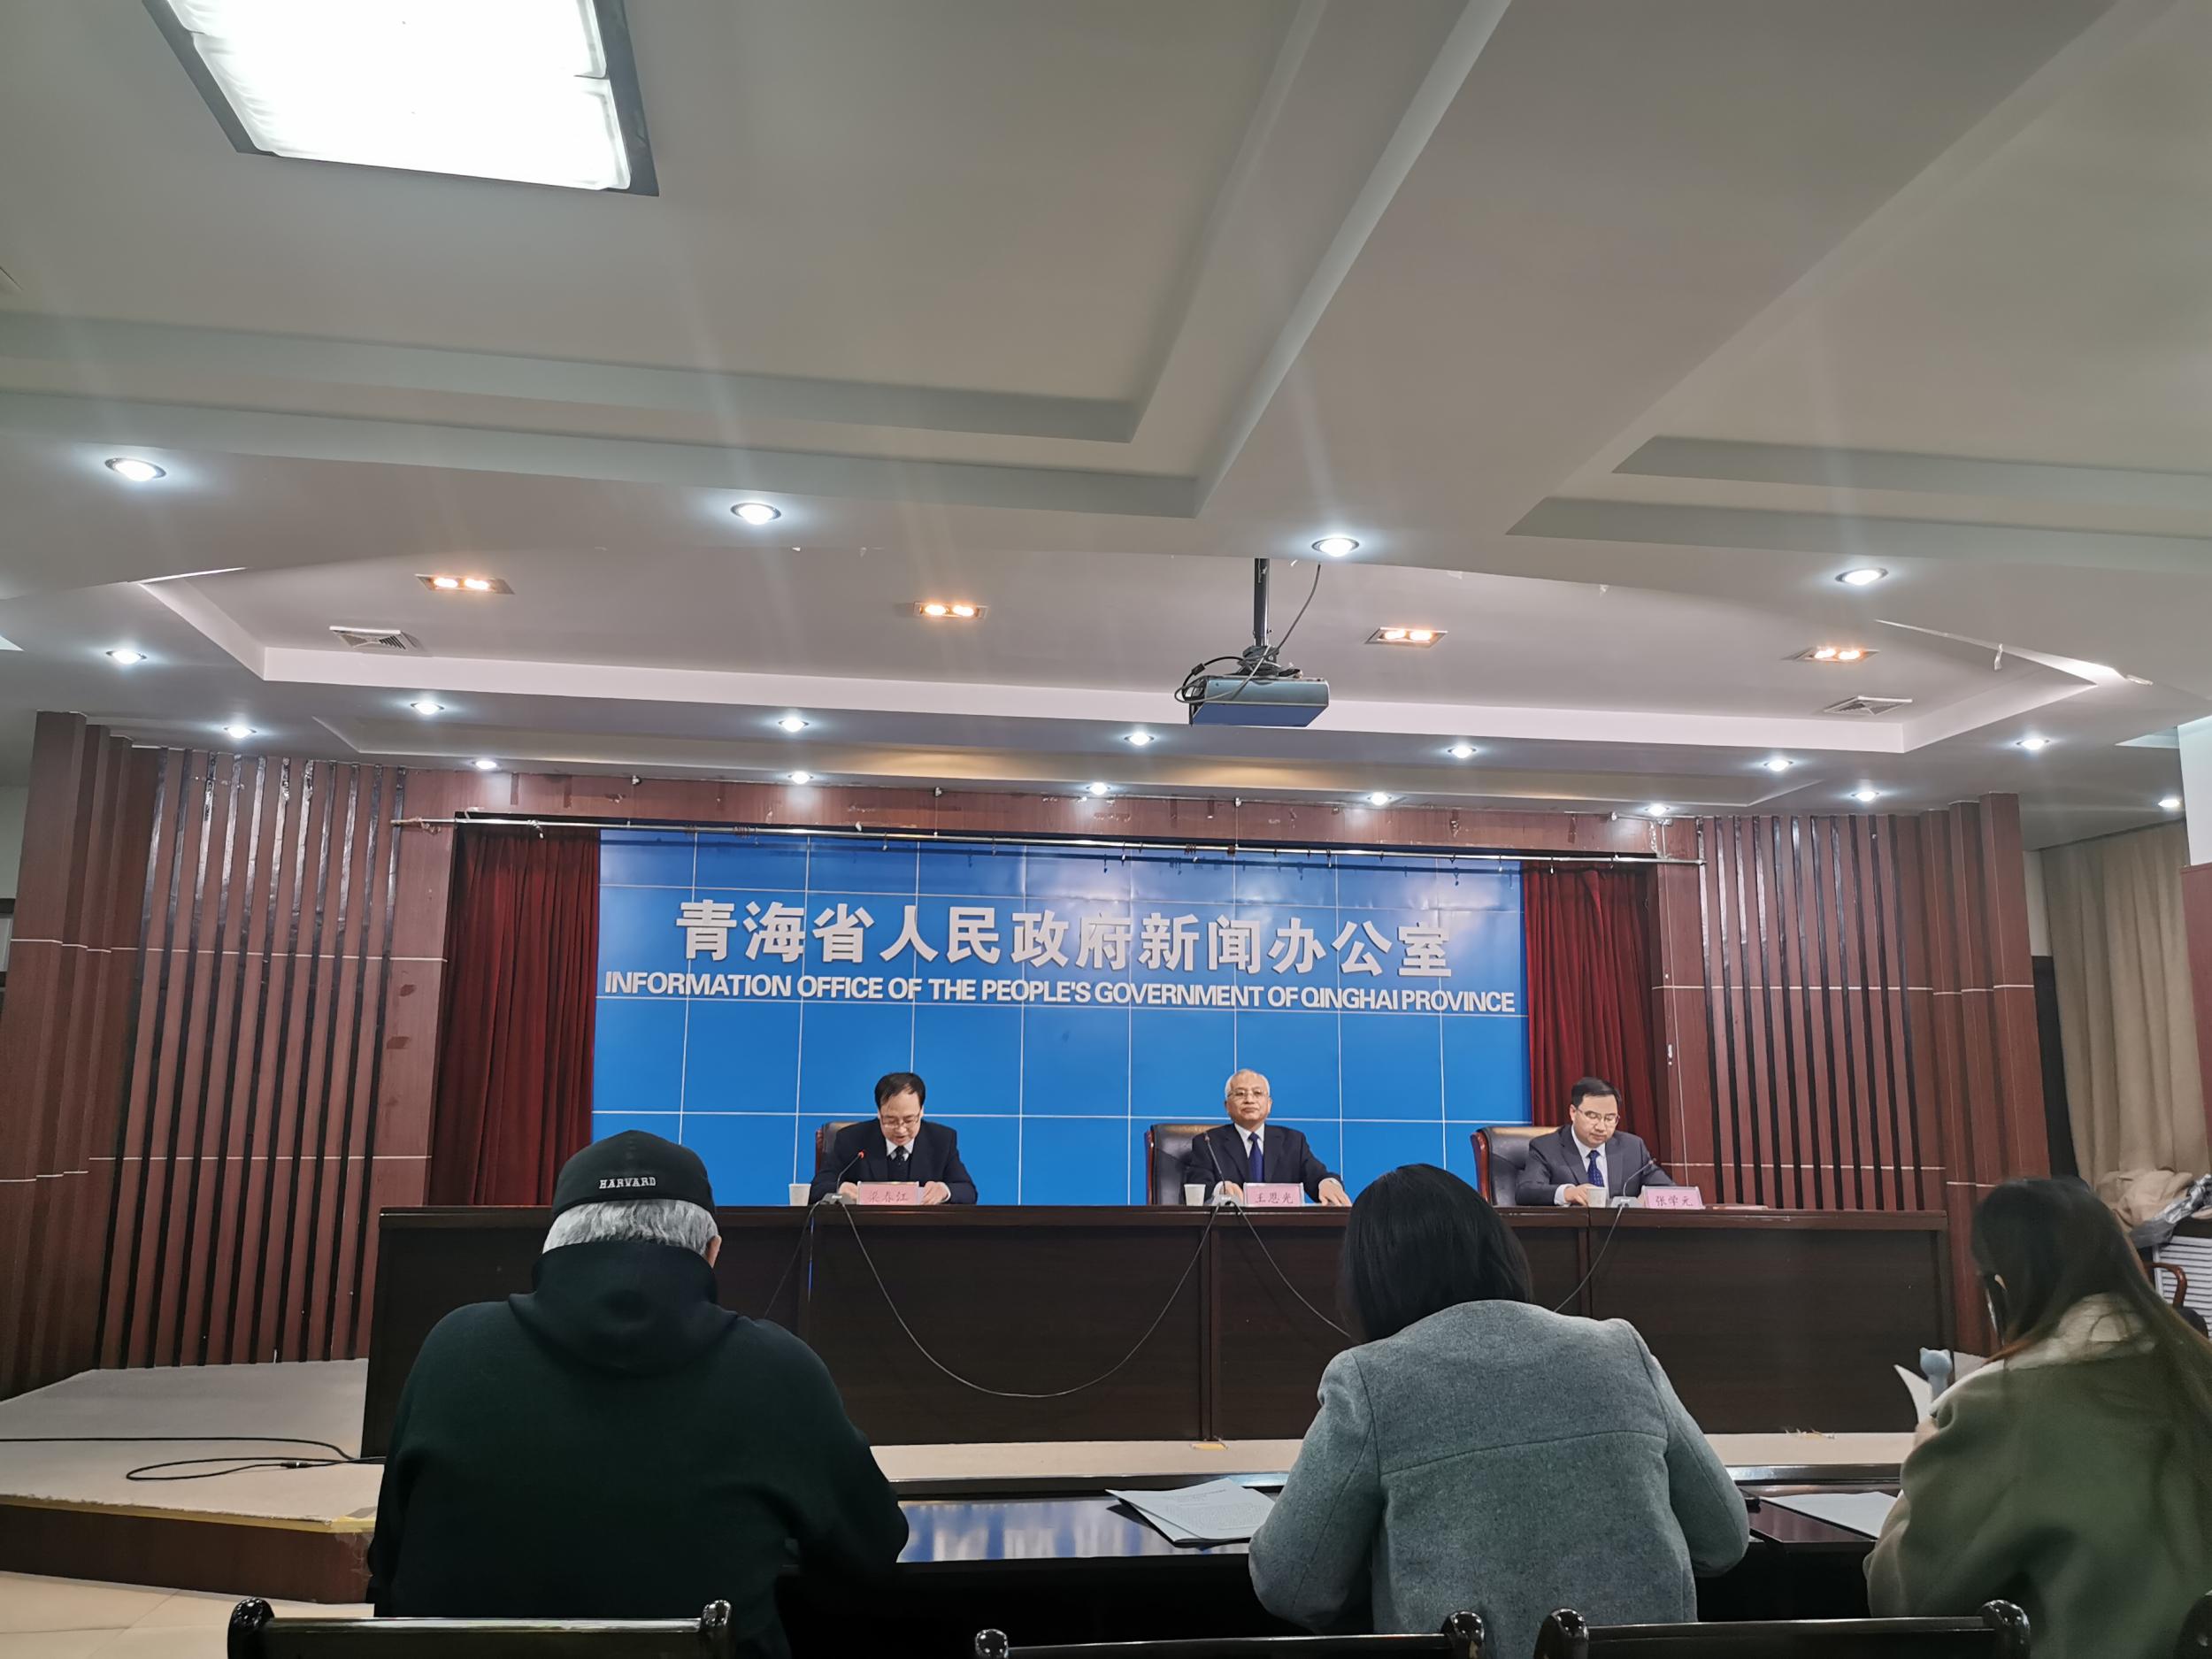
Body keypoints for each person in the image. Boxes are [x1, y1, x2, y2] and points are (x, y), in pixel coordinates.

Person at [369, 1131, 905, 1656]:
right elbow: (870, 1549)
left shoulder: (453, 1347)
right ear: (712, 1251)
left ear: (553, 1243)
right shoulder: (781, 1368)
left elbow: (388, 1565)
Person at [1248, 1164, 1745, 1654]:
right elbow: (1724, 1539)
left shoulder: (1370, 1379)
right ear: (1499, 1247)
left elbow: (1291, 1584)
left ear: (1368, 1279)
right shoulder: (1619, 1347)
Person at [1867, 1178, 2212, 1659]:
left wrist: (1919, 1472)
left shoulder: (2001, 1403)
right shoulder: (2197, 1367)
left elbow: (1905, 1601)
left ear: (2000, 1290)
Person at [1183, 1069, 1349, 1206]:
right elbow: (1197, 1185)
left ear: (1269, 1104)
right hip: (1230, 1229)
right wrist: (1220, 1189)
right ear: (1227, 1106)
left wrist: (1327, 1184)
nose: (1249, 1100)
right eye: (1240, 1094)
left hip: (1284, 1229)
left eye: (1257, 1093)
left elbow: (1318, 1176)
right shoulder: (1208, 1142)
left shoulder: (1293, 1141)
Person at [809, 1071, 978, 1204]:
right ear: (879, 1113)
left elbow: (968, 1191)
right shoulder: (851, 1139)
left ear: (921, 1111)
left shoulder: (941, 1140)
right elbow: (817, 1189)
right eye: (890, 1120)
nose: (901, 1130)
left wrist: (944, 1190)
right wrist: (840, 1188)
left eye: (909, 1120)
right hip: (862, 1232)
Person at [1514, 1076, 1677, 1206]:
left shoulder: (1632, 1147)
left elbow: (1669, 1190)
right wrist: (1568, 1193)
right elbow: (1526, 1191)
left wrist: (1648, 1198)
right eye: (1592, 1117)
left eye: (1610, 1118)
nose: (1601, 1127)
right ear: (1573, 1112)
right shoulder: (1546, 1147)